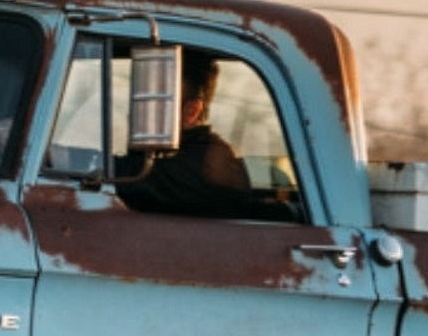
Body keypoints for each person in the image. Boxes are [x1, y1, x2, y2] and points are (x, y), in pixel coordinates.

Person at [114, 51, 296, 222]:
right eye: (137, 98)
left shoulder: (206, 163)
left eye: (151, 99)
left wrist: (87, 162)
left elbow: (131, 178)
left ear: (191, 112)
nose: (134, 110)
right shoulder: (170, 154)